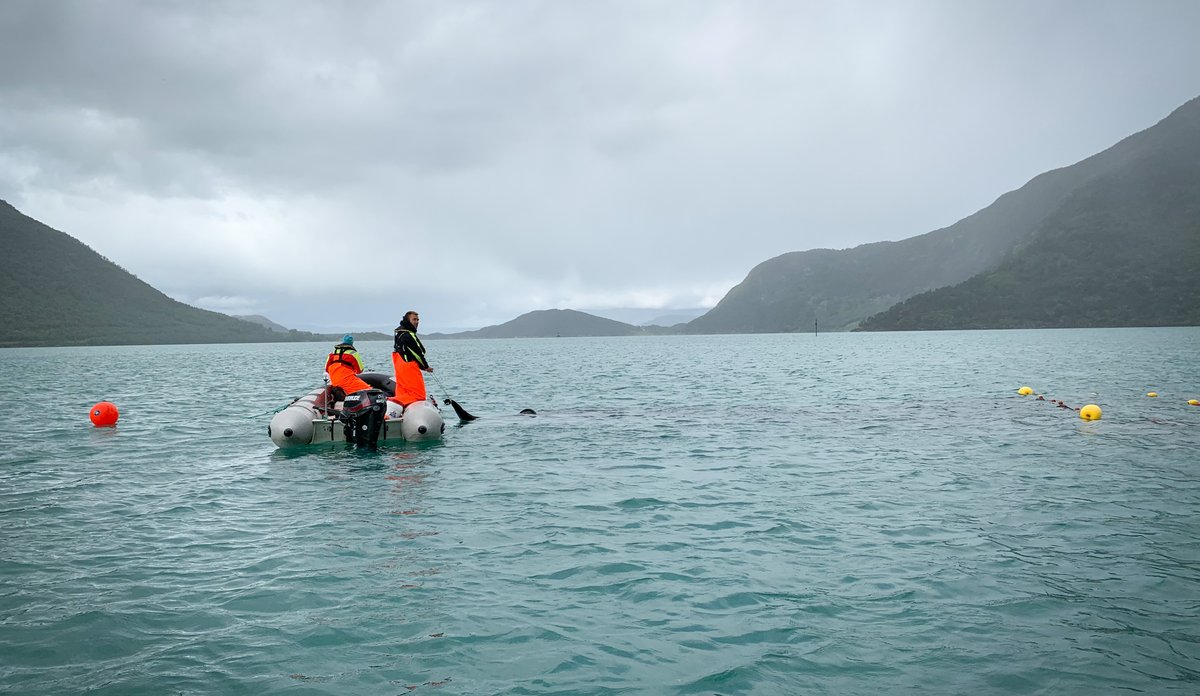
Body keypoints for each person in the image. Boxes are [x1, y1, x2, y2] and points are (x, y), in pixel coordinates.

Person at [391, 311, 432, 406]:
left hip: (400, 366)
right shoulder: (408, 334)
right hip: (408, 366)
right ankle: (394, 402)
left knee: (402, 391)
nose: (417, 322)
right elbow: (417, 353)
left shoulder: (400, 333)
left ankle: (396, 405)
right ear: (407, 320)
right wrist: (425, 366)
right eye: (414, 319)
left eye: (418, 320)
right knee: (419, 395)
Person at [325, 334, 372, 398]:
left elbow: (326, 369)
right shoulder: (353, 353)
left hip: (334, 381)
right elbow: (360, 370)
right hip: (346, 380)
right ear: (352, 343)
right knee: (369, 391)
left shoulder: (332, 353)